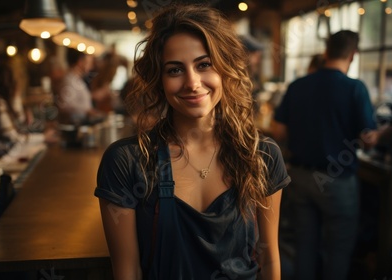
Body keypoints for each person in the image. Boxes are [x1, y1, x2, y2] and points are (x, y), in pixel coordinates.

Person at [94, 4, 290, 280]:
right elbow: (128, 272)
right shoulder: (128, 161)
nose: (192, 83)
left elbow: (268, 259)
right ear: (159, 80)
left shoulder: (262, 155)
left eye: (204, 65)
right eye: (175, 70)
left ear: (225, 69)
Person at [272, 30, 389, 280]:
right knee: (338, 249)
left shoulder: (298, 85)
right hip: (338, 181)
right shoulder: (354, 88)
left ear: (325, 52)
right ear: (353, 55)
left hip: (300, 177)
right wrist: (382, 133)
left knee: (305, 246)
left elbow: (278, 131)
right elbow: (367, 141)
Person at [56, 48, 101, 125]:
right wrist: (87, 110)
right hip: (75, 126)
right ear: (80, 62)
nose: (91, 67)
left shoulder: (77, 80)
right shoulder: (69, 80)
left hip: (81, 123)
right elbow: (65, 106)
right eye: (89, 62)